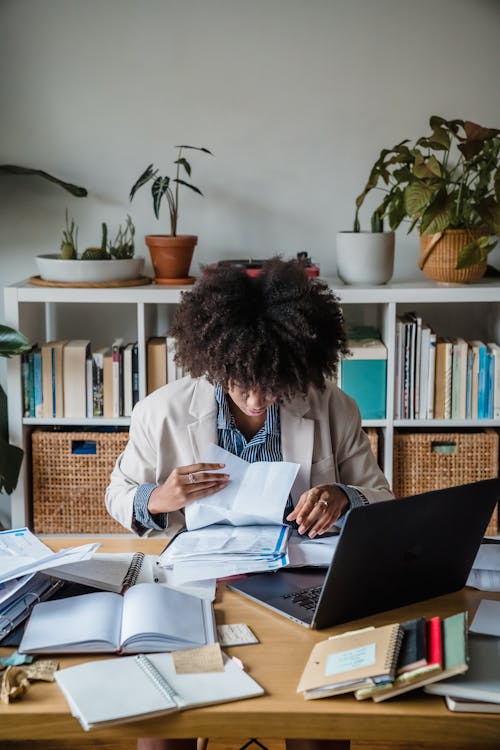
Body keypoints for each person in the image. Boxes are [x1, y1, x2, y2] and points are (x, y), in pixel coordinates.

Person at [105, 257, 394, 750]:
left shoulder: (333, 406)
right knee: (163, 727)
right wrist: (159, 496)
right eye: (242, 384)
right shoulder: (162, 412)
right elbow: (117, 494)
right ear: (215, 363)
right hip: (195, 581)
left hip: (299, 579)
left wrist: (343, 498)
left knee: (317, 723)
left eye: (273, 385)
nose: (258, 399)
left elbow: (384, 498)